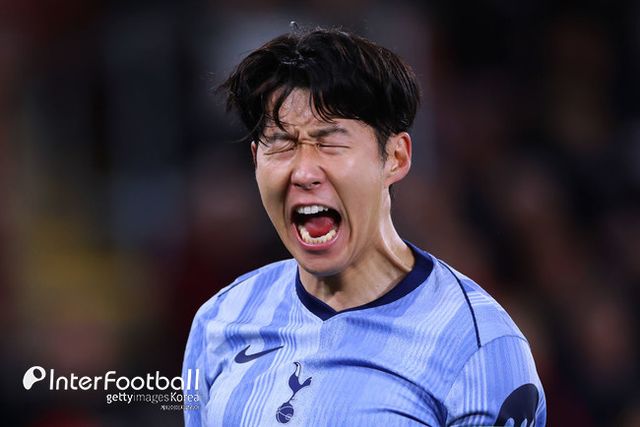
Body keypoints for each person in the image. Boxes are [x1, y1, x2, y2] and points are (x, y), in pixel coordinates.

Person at [182, 27, 546, 426]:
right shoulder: (218, 322)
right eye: (281, 144)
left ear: (395, 157)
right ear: (256, 160)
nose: (303, 172)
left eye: (330, 143)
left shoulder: (479, 346)